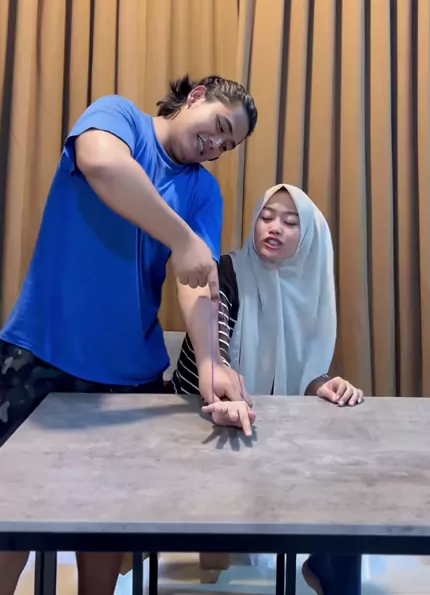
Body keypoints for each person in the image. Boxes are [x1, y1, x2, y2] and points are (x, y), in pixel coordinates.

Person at [0, 74, 257, 595]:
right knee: (9, 523)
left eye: (227, 146)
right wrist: (182, 238)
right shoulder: (119, 118)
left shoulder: (203, 191)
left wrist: (212, 364)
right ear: (197, 97)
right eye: (219, 127)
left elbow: (197, 283)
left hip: (128, 378)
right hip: (39, 353)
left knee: (103, 532)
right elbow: (101, 163)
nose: (215, 146)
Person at [172, 184, 364, 595]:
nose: (274, 227)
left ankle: (327, 571)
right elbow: (216, 341)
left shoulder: (311, 289)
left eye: (290, 222)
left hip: (265, 422)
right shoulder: (227, 271)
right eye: (267, 216)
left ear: (308, 239)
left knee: (345, 468)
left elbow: (302, 370)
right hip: (199, 418)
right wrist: (223, 388)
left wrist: (323, 384)